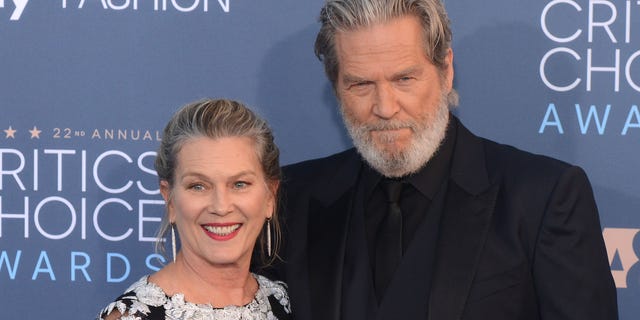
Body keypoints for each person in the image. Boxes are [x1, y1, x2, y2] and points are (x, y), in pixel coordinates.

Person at [274, 0, 618, 319]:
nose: (385, 107)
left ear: (446, 70)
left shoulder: (542, 198)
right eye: (361, 84)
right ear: (336, 88)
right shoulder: (291, 197)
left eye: (404, 79)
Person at [98, 99, 291, 319]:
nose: (221, 206)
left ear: (270, 197)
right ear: (170, 199)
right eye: (198, 186)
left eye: (239, 184)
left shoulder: (286, 302)